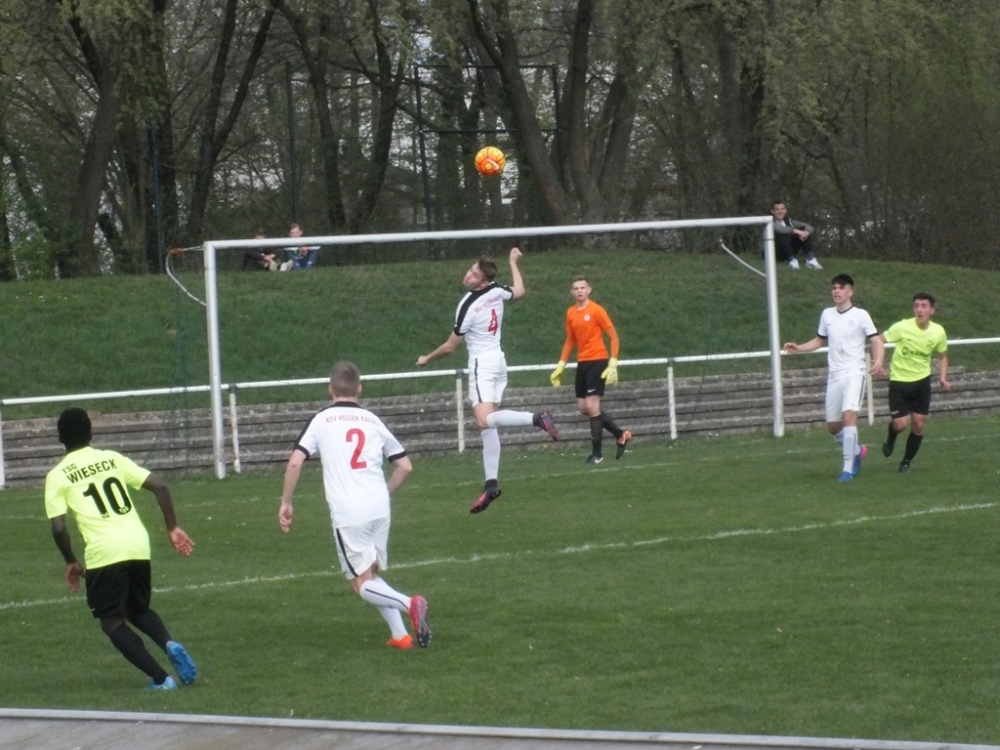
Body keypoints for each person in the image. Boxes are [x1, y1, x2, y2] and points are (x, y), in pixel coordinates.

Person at [279, 361, 430, 650]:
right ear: (359, 388)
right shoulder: (372, 420)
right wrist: (384, 493)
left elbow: (296, 461)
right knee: (371, 574)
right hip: (379, 506)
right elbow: (405, 466)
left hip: (349, 511)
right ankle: (400, 636)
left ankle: (409, 603)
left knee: (360, 584)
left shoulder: (322, 419)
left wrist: (286, 502)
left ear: (330, 389)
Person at [44, 408, 198, 690]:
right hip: (138, 543)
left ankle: (161, 679)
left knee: (111, 621)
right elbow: (161, 487)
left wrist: (71, 561)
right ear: (91, 433)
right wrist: (172, 528)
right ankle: (168, 642)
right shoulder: (112, 459)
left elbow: (58, 528)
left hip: (105, 551)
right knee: (137, 609)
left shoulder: (58, 476)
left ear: (60, 438)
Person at [416, 247, 559, 514]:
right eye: (470, 270)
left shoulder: (467, 305)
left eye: (474, 274)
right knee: (488, 425)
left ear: (483, 281)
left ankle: (537, 418)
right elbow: (519, 291)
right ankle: (491, 484)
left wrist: (427, 358)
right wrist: (513, 262)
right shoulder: (496, 290)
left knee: (484, 421)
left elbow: (450, 347)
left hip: (482, 365)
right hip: (499, 362)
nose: (468, 275)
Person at [783, 274, 885, 481]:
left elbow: (877, 341)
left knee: (849, 416)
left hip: (854, 372)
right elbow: (819, 340)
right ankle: (857, 451)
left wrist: (879, 361)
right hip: (835, 375)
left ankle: (848, 469)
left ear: (850, 292)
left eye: (841, 288)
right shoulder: (827, 314)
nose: (836, 291)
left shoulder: (861, 315)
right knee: (833, 425)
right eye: (834, 288)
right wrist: (798, 348)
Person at [550, 276, 632, 464]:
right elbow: (570, 340)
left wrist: (613, 363)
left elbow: (614, 337)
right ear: (572, 292)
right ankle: (620, 434)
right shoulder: (571, 313)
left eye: (582, 287)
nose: (579, 291)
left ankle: (597, 455)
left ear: (589, 290)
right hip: (583, 362)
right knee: (583, 407)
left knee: (593, 406)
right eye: (576, 288)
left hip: (598, 360)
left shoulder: (596, 310)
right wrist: (561, 365)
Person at [877, 293, 950, 473]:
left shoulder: (938, 331)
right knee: (900, 424)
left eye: (924, 306)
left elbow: (942, 356)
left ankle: (906, 462)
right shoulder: (902, 327)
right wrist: (877, 362)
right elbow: (879, 339)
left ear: (932, 310)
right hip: (899, 382)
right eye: (916, 306)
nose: (919, 310)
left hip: (921, 383)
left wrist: (943, 377)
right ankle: (891, 436)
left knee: (918, 423)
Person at [771, 201, 822, 270]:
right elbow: (779, 229)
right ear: (772, 211)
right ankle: (792, 261)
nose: (780, 211)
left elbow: (809, 227)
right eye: (777, 209)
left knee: (803, 230)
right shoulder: (769, 222)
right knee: (782, 234)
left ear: (785, 210)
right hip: (775, 253)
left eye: (782, 209)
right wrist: (797, 231)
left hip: (789, 250)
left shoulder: (789, 221)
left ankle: (810, 259)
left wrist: (806, 232)